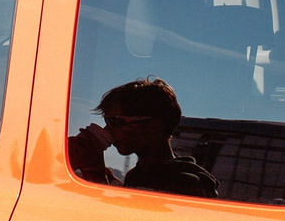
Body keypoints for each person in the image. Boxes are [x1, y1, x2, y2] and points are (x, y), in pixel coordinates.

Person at [67, 78, 221, 197]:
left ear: (153, 125)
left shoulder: (185, 183)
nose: (108, 129)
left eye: (116, 121)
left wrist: (94, 173)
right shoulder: (138, 175)